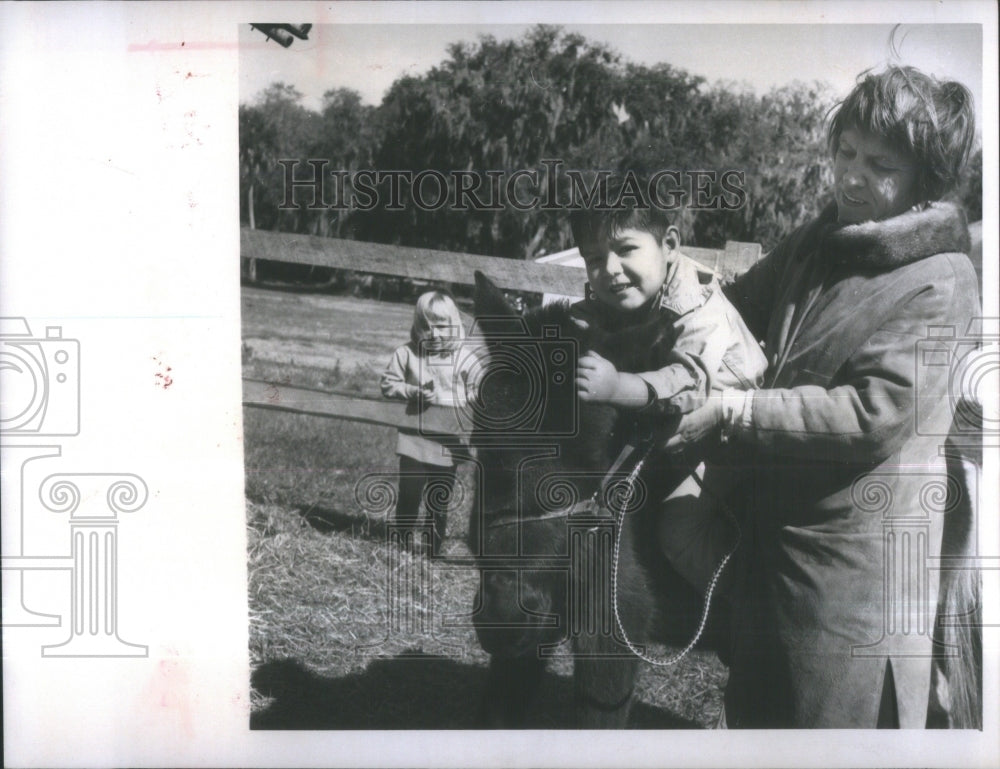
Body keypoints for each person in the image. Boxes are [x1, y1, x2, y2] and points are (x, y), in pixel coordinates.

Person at [663, 65, 979, 728]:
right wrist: (671, 288)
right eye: (845, 151)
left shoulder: (941, 280)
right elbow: (741, 308)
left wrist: (737, 409)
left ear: (924, 181)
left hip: (853, 573)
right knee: (757, 717)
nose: (852, 176)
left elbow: (872, 416)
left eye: (880, 164)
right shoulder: (819, 239)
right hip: (773, 540)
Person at [568, 175, 768, 591]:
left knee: (678, 529)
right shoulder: (636, 290)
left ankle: (742, 605)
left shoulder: (700, 309)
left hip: (734, 431)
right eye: (593, 259)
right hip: (676, 429)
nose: (609, 271)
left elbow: (689, 380)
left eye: (625, 250)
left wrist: (616, 385)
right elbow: (589, 316)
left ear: (670, 245)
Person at [381, 290, 472, 555]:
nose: (434, 333)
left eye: (442, 326)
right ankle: (401, 542)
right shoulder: (407, 354)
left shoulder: (464, 358)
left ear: (454, 326)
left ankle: (433, 550)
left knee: (438, 499)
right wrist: (411, 391)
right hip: (414, 440)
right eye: (426, 326)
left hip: (447, 442)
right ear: (418, 327)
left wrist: (469, 395)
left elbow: (481, 386)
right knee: (409, 492)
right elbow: (388, 383)